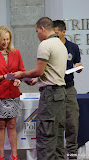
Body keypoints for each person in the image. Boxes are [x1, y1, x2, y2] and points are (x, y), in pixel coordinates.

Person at [13, 17, 68, 160]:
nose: (37, 35)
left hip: (50, 94)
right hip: (61, 94)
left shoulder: (45, 44)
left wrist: (22, 74)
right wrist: (37, 80)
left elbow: (39, 70)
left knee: (46, 137)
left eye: (37, 32)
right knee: (57, 138)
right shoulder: (61, 45)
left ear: (43, 29)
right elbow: (52, 70)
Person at [0, 25, 25, 160]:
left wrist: (18, 80)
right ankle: (1, 156)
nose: (6, 43)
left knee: (12, 125)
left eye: (8, 39)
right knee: (1, 125)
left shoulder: (16, 53)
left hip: (13, 94)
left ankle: (15, 155)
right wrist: (4, 76)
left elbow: (21, 71)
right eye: (3, 40)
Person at [53, 20, 83, 159]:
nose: (54, 36)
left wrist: (79, 67)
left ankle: (72, 156)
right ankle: (58, 156)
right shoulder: (50, 47)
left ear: (63, 32)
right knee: (57, 126)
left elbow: (77, 65)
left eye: (56, 33)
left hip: (69, 89)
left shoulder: (73, 47)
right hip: (54, 90)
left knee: (72, 124)